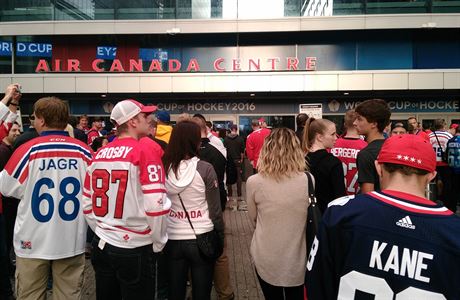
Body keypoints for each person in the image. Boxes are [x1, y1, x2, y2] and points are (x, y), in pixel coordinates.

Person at [306, 134, 460, 300]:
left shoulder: (341, 213)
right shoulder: (453, 231)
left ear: (378, 168)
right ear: (431, 176)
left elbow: (316, 285)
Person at [0, 97, 92, 300]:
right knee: (68, 295)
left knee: (31, 295)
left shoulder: (27, 149)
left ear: (41, 120)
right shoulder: (84, 151)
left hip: (32, 240)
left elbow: (6, 188)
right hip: (71, 238)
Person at [83, 99, 170, 300]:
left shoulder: (99, 154)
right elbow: (156, 206)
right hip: (135, 247)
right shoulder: (144, 151)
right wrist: (158, 242)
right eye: (145, 116)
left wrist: (103, 231)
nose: (150, 120)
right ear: (132, 121)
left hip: (103, 243)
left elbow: (87, 203)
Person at [162, 120, 224, 300]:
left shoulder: (163, 168)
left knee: (175, 292)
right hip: (201, 236)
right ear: (195, 141)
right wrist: (220, 235)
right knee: (202, 293)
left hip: (172, 237)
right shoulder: (205, 169)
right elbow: (215, 209)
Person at [247, 128, 309, 300]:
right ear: (297, 150)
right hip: (298, 257)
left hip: (266, 255)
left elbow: (253, 218)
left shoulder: (254, 182)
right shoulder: (309, 180)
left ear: (266, 149)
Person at [303, 118, 346, 213]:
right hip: (327, 216)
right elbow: (340, 198)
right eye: (332, 134)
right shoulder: (333, 163)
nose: (336, 138)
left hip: (305, 217)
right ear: (319, 137)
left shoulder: (301, 160)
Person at [0, 122, 20, 300]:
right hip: (5, 207)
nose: (17, 132)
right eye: (13, 130)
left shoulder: (10, 150)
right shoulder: (3, 151)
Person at [354, 99, 391, 193]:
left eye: (359, 119)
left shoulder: (366, 154)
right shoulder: (392, 147)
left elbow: (368, 195)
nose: (354, 123)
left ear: (374, 124)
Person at [331, 110, 367, 195]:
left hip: (337, 195)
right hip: (357, 195)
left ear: (345, 124)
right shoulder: (365, 146)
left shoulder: (333, 144)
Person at [429, 118, 453, 209]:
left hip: (433, 163)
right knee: (446, 183)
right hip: (445, 163)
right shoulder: (448, 135)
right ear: (443, 125)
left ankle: (433, 199)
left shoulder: (430, 135)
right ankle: (445, 202)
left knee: (432, 183)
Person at [224, 124, 245, 204]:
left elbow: (224, 150)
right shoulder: (240, 139)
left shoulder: (226, 139)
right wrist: (241, 159)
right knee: (238, 177)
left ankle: (230, 193)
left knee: (229, 176)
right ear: (236, 129)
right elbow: (242, 151)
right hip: (237, 160)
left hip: (229, 160)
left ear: (230, 129)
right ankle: (239, 193)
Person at [446, 126, 460, 213]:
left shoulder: (450, 140)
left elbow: (447, 153)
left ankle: (453, 208)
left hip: (452, 168)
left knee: (454, 189)